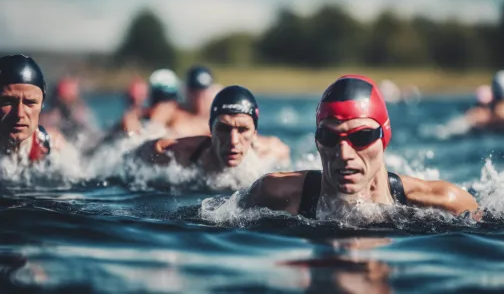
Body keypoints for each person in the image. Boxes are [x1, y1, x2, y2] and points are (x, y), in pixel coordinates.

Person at [240, 75, 479, 219]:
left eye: (362, 137)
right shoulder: (271, 192)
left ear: (384, 138)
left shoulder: (445, 202)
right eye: (330, 137)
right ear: (317, 141)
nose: (344, 154)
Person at [136, 85, 290, 172]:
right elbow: (142, 152)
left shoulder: (266, 153)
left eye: (243, 130)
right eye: (224, 129)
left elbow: (283, 152)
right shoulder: (189, 152)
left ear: (254, 133)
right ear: (210, 129)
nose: (233, 141)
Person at [0, 54, 61, 163]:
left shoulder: (51, 146)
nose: (19, 114)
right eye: (8, 102)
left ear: (42, 104)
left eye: (30, 102)